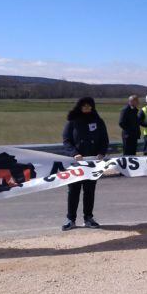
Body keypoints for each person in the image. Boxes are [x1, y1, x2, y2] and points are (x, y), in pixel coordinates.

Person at [62, 97, 109, 231]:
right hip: (76, 163)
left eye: (89, 106)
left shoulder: (98, 121)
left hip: (92, 163)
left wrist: (101, 153)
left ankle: (88, 218)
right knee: (73, 191)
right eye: (84, 106)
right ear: (80, 107)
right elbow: (66, 140)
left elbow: (104, 140)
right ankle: (70, 219)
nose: (87, 108)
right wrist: (74, 153)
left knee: (89, 191)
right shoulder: (72, 121)